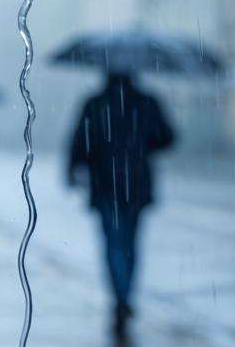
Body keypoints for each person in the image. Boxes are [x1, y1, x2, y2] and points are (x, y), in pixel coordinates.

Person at [67, 72, 176, 333]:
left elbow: (79, 142)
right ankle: (125, 295)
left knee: (113, 242)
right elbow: (168, 138)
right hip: (136, 184)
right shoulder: (146, 102)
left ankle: (120, 295)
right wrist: (142, 144)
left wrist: (74, 169)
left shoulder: (95, 103)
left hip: (105, 184)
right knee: (130, 243)